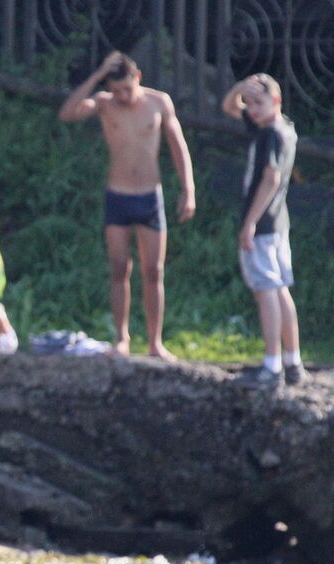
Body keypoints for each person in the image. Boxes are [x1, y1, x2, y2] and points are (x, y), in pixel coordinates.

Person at [58, 52, 195, 360]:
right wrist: (96, 76)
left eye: (127, 89)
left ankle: (155, 342)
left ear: (139, 78)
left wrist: (189, 189)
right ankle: (122, 338)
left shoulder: (159, 102)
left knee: (153, 270)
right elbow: (68, 113)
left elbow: (178, 146)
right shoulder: (105, 103)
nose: (123, 96)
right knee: (120, 268)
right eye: (116, 90)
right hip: (118, 196)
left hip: (150, 196)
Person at [221, 74, 303, 389]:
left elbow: (270, 177)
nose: (251, 109)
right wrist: (241, 88)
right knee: (280, 289)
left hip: (265, 226)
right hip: (279, 224)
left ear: (277, 101)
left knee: (265, 290)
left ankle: (272, 366)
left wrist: (250, 222)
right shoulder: (283, 127)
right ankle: (292, 361)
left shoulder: (270, 134)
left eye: (258, 102)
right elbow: (230, 107)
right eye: (250, 103)